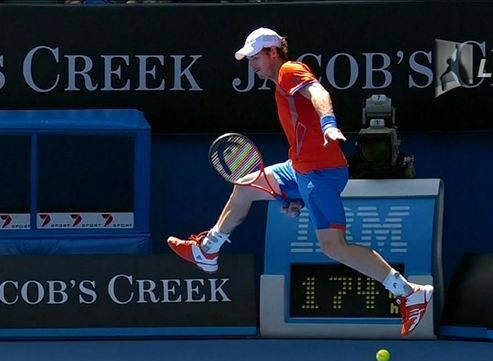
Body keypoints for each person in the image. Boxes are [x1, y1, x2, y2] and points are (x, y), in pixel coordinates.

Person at [166, 27, 433, 337]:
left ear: (273, 52)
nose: (252, 64)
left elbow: (319, 93)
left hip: (321, 172)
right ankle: (208, 250)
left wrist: (328, 123)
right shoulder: (280, 82)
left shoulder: (289, 71)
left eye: (255, 57)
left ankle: (408, 292)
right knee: (245, 186)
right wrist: (294, 197)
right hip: (299, 169)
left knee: (334, 247)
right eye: (249, 58)